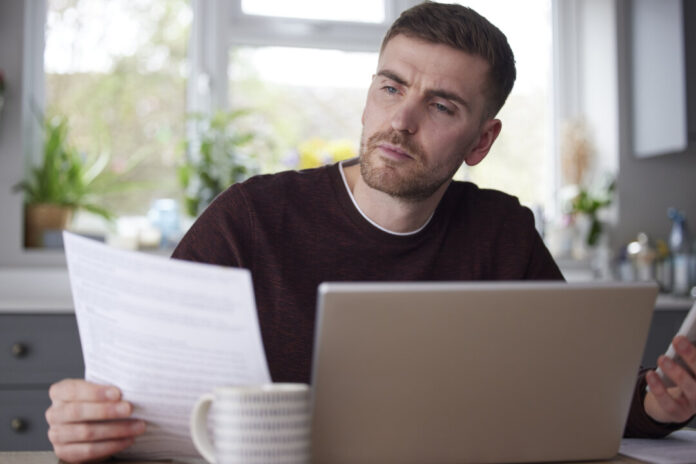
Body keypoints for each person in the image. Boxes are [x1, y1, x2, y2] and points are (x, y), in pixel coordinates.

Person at [46, 2, 696, 462]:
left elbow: (575, 394)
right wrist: (90, 423)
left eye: (442, 106)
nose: (401, 121)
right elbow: (137, 401)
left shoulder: (501, 232)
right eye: (391, 87)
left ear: (481, 141)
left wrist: (661, 407)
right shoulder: (249, 219)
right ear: (369, 94)